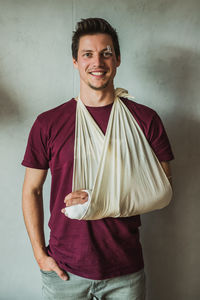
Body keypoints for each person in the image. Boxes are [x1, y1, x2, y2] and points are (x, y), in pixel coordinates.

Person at [22, 18, 174, 299]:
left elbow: (162, 188)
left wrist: (96, 197)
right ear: (75, 62)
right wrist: (40, 255)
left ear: (117, 59)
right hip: (64, 269)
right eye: (87, 54)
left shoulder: (145, 119)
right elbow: (31, 189)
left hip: (125, 271)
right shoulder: (48, 123)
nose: (98, 62)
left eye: (106, 53)